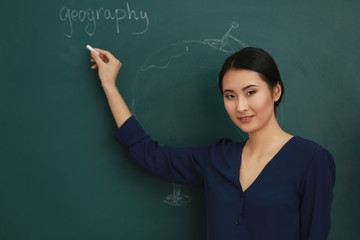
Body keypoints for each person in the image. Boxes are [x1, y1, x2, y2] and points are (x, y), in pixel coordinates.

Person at [89, 47, 336, 240]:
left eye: (251, 92)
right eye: (230, 96)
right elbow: (146, 153)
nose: (240, 106)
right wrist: (109, 85)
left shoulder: (311, 160)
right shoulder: (218, 157)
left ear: (276, 91)